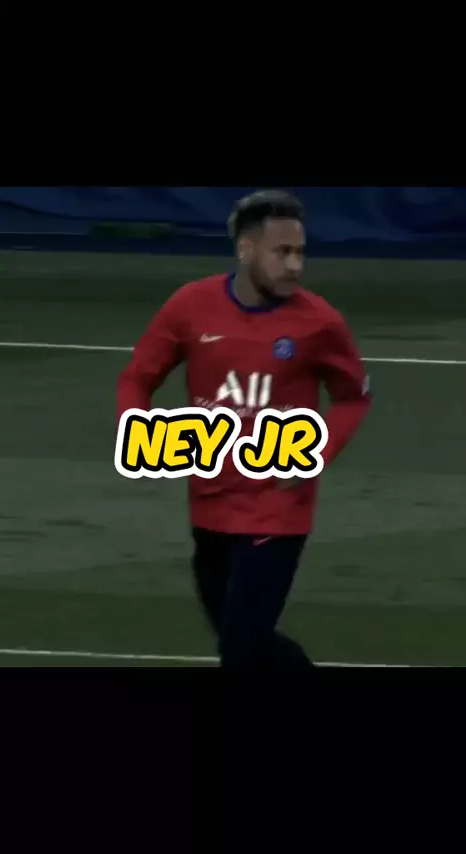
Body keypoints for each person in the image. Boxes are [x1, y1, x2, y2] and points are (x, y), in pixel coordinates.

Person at [117, 189, 372, 668]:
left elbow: (353, 396)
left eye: (300, 252)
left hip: (278, 510)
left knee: (240, 648)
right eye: (282, 252)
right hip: (210, 504)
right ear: (246, 249)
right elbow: (137, 378)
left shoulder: (319, 322)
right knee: (246, 643)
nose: (295, 266)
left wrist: (315, 458)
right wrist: (137, 432)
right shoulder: (190, 306)